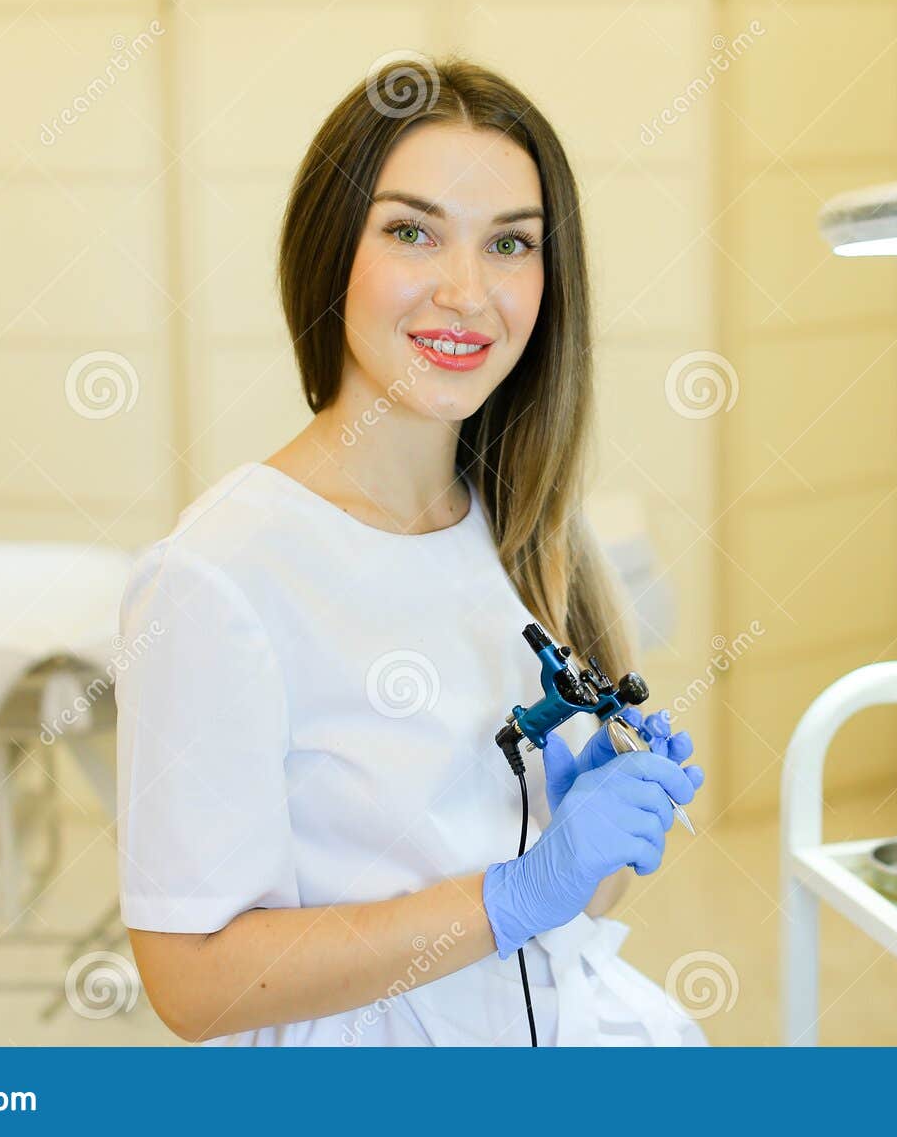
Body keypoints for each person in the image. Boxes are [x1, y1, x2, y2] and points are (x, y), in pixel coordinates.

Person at [114, 56, 706, 1046]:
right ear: (329, 254)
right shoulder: (217, 576)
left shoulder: (525, 525)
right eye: (411, 231)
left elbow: (570, 912)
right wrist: (511, 890)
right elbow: (193, 983)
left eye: (510, 243)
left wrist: (592, 839)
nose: (466, 292)